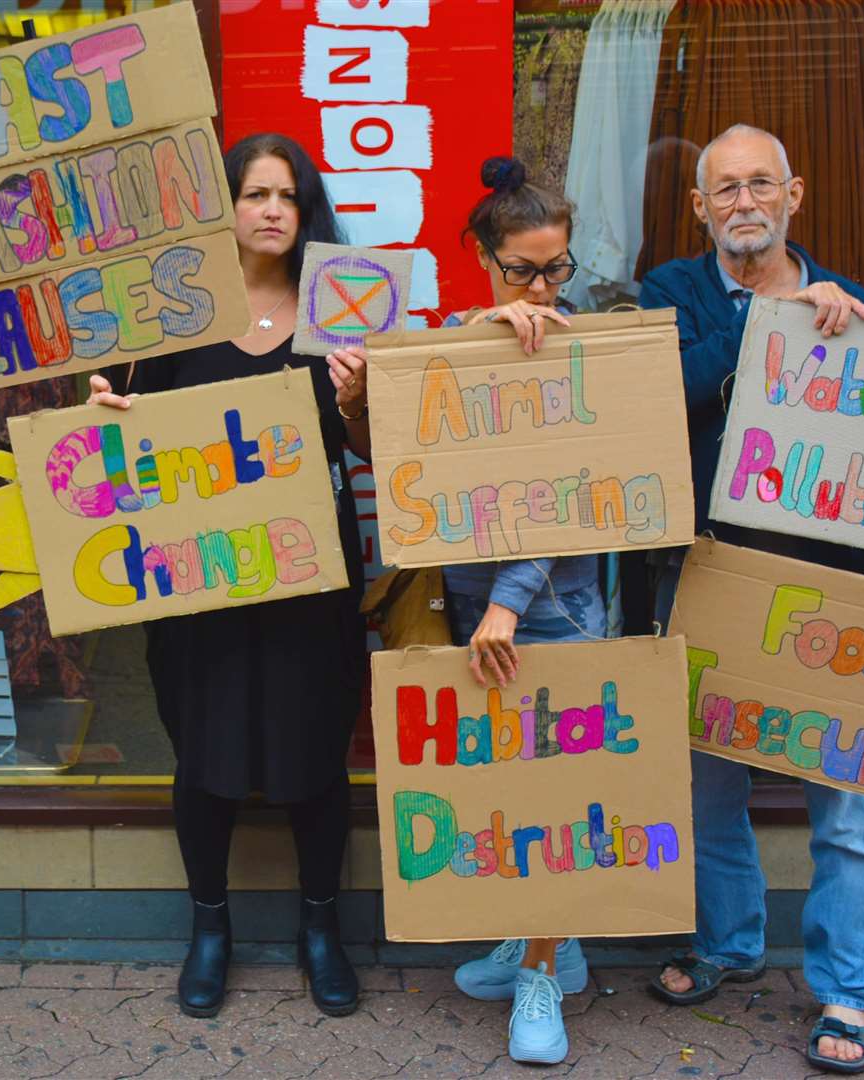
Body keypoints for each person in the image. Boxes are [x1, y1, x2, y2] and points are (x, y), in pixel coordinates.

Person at [637, 123, 864, 1075]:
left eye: (760, 185)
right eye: (725, 190)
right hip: (710, 577)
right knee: (710, 792)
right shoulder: (671, 293)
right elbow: (667, 396)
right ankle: (730, 949)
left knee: (847, 809)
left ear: (795, 195)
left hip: (839, 592)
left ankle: (849, 990)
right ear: (700, 208)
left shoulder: (859, 311)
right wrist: (766, 325)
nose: (744, 202)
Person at [326, 155, 600, 1066]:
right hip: (471, 604)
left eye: (557, 266)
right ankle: (548, 948)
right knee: (497, 792)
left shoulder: (582, 345)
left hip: (552, 612)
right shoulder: (452, 336)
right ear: (483, 259)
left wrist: (512, 605)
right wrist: (363, 397)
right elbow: (396, 464)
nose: (542, 286)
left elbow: (574, 488)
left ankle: (540, 976)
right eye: (523, 268)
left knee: (552, 799)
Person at [88, 134, 368, 1020]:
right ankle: (210, 929)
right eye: (255, 194)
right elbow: (130, 445)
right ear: (228, 207)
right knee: (202, 755)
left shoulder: (342, 312)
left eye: (287, 194)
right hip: (194, 581)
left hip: (309, 576)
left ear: (307, 207)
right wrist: (110, 416)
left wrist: (358, 402)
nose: (272, 210)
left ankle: (320, 930)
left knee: (316, 755)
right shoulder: (177, 317)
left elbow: (382, 453)